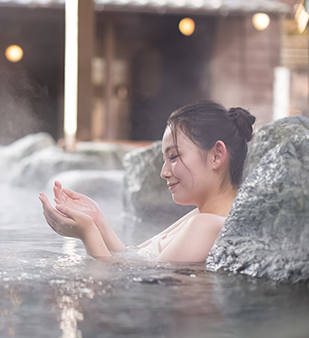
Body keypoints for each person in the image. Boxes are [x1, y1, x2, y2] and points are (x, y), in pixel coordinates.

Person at [39, 100, 256, 262]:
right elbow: (134, 258)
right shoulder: (202, 215)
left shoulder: (206, 225)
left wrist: (86, 232)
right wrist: (97, 221)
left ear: (216, 155)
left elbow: (130, 287)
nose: (164, 172)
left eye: (174, 157)